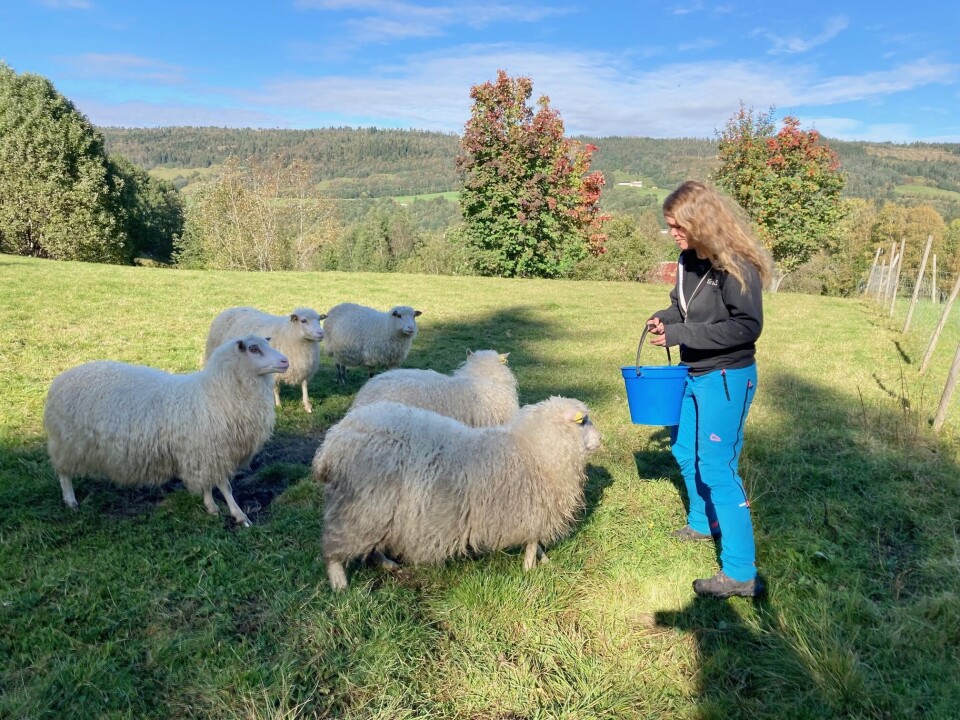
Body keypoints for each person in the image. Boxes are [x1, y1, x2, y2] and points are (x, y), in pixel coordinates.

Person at [647, 180, 773, 599]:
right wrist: (665, 319)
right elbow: (681, 307)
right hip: (693, 372)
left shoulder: (736, 266)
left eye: (677, 226)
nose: (673, 234)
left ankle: (741, 572)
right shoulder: (687, 260)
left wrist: (683, 333)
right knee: (683, 450)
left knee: (719, 467)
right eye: (670, 227)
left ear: (701, 222)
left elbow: (746, 327)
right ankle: (704, 522)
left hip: (726, 376)